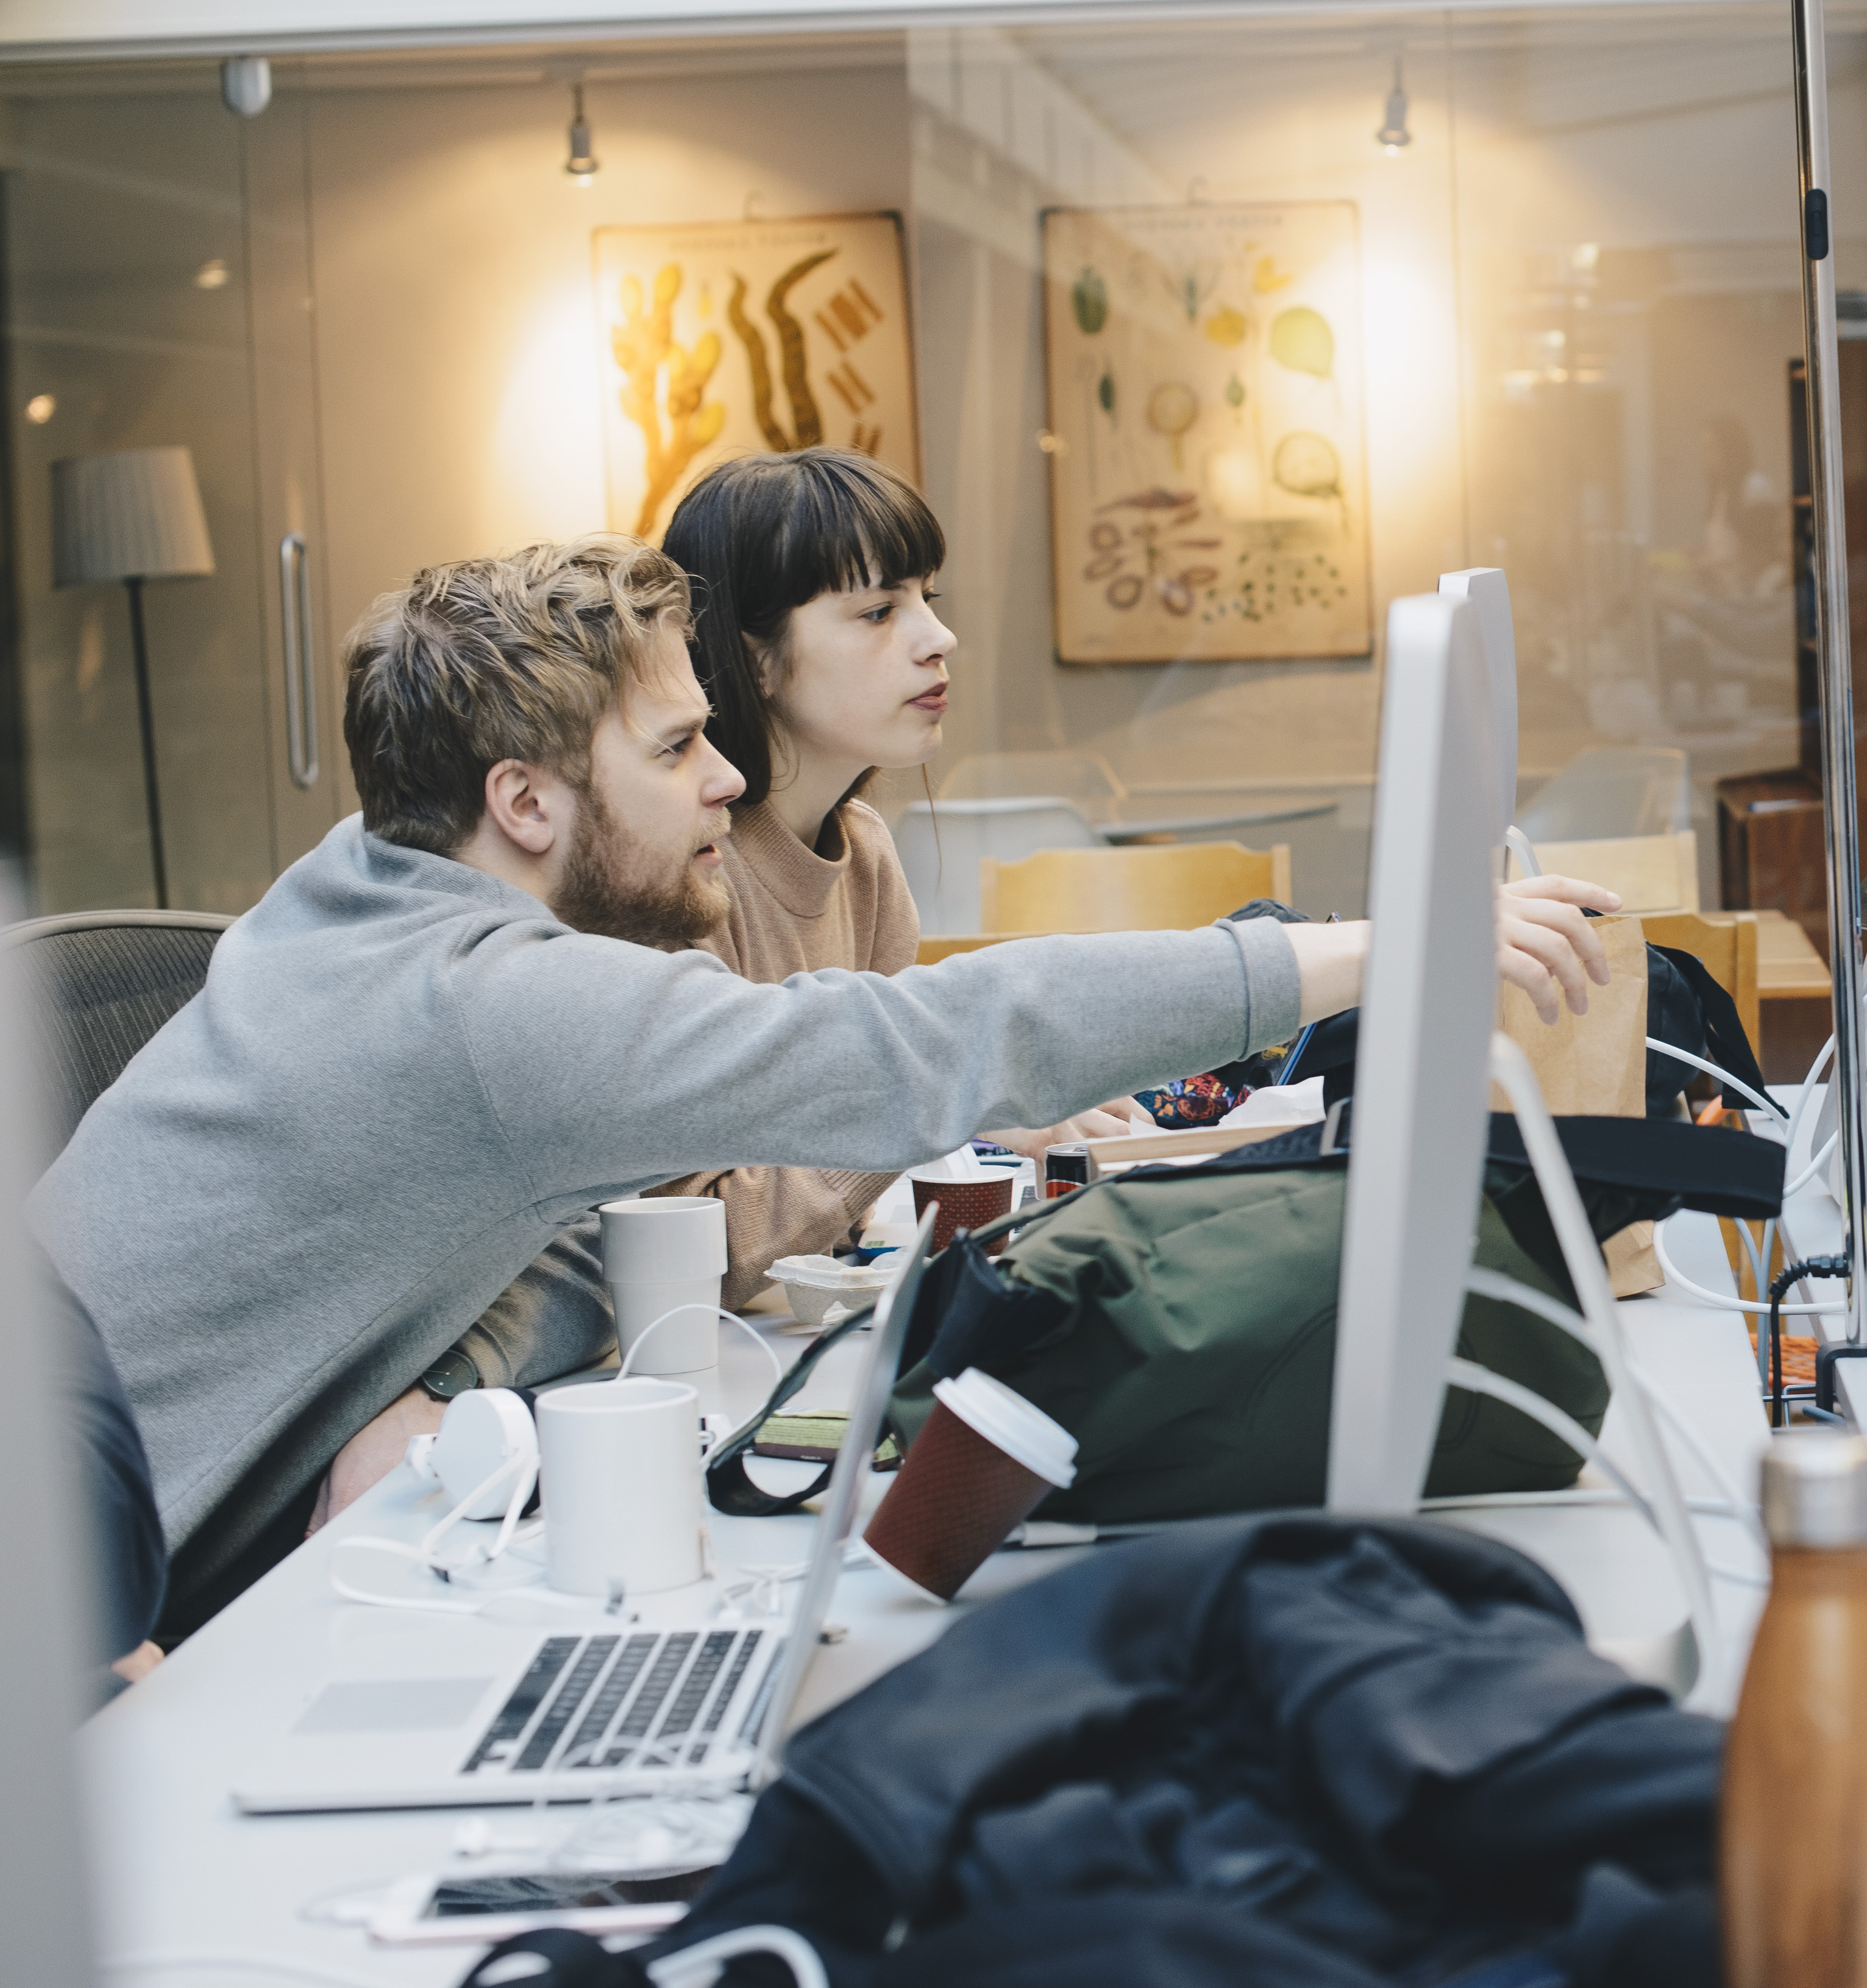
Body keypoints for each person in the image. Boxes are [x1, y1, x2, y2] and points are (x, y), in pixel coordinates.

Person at [30, 537, 1616, 1637]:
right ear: (521, 800)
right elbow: (916, 1054)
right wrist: (1377, 942)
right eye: (673, 750)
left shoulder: (363, 893)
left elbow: (552, 1239)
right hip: (83, 1630)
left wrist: (420, 1388)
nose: (725, 778)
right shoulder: (480, 1005)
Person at [651, 448, 1141, 1302]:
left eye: (926, 599)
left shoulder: (866, 856)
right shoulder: (678, 880)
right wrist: (943, 1091)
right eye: (879, 610)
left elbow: (872, 1135)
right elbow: (695, 1251)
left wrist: (976, 1099)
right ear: (753, 657)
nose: (938, 638)